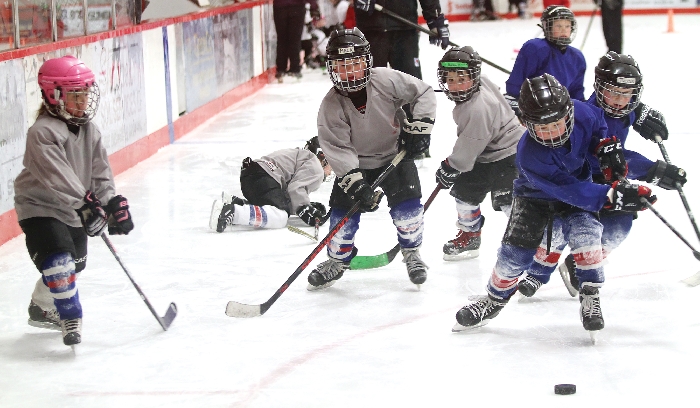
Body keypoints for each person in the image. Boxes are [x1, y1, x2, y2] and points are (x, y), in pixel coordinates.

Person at [452, 74, 656, 338]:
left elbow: (598, 131)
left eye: (557, 125)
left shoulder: (585, 113)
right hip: (535, 197)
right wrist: (610, 195)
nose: (552, 134)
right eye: (542, 128)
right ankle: (493, 299)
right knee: (514, 255)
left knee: (588, 237)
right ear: (526, 124)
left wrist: (604, 147)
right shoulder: (530, 156)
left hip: (578, 188)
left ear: (569, 113)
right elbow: (570, 190)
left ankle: (590, 292)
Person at [518, 52, 684, 298]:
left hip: (612, 179)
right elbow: (600, 159)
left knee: (620, 225)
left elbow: (628, 112)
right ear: (599, 89)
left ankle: (578, 262)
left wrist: (642, 113)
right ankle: (538, 270)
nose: (619, 101)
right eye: (613, 93)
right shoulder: (588, 114)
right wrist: (653, 170)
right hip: (583, 180)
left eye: (627, 94)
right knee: (562, 229)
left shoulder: (626, 108)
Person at [14, 55, 134, 346]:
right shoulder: (41, 132)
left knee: (74, 266)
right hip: (40, 207)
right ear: (54, 96)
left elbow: (99, 173)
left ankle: (41, 306)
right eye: (75, 95)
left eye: (85, 94)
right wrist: (84, 204)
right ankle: (70, 314)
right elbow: (58, 177)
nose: (83, 102)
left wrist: (111, 202)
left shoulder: (89, 130)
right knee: (59, 262)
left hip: (74, 211)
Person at [310, 27, 436, 289]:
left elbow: (423, 92)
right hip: (357, 165)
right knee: (342, 219)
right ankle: (337, 260)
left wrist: (421, 127)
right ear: (331, 68)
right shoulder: (331, 106)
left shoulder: (386, 80)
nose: (350, 72)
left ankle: (412, 253)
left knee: (408, 211)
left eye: (355, 64)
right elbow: (339, 148)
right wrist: (356, 184)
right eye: (342, 66)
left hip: (395, 156)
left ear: (367, 61)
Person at [434, 46, 524, 261]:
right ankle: (470, 235)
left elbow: (469, 145)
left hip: (510, 153)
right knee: (464, 195)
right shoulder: (480, 81)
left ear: (473, 77)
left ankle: (526, 241)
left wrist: (451, 166)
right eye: (451, 80)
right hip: (486, 154)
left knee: (508, 200)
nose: (455, 86)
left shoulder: (477, 109)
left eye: (461, 79)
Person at [211, 137, 333, 232]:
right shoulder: (316, 167)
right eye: (332, 167)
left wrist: (304, 205)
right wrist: (303, 208)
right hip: (264, 178)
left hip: (251, 176)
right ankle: (230, 211)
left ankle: (237, 203)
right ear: (324, 157)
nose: (331, 172)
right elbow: (296, 189)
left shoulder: (303, 155)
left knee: (276, 208)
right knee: (280, 217)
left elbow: (285, 194)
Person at [504, 5, 586, 116]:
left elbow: (576, 92)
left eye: (567, 26)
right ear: (547, 27)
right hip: (534, 109)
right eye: (558, 26)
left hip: (561, 113)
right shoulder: (535, 48)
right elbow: (516, 83)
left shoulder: (577, 57)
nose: (563, 30)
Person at [352, 0, 450, 80]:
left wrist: (435, 19)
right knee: (369, 86)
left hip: (405, 32)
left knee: (412, 86)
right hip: (370, 32)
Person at [273, 0, 320, 82]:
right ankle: (294, 69)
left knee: (282, 39)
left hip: (280, 6)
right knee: (295, 39)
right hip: (296, 6)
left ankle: (281, 69)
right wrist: (314, 5)